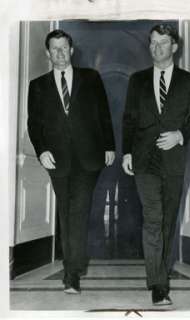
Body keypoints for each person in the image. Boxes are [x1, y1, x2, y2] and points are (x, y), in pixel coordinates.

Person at [28, 29, 115, 294]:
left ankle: (71, 273)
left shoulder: (91, 77)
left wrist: (110, 146)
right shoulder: (38, 85)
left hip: (89, 158)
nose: (60, 53)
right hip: (57, 160)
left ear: (72, 50)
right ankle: (72, 269)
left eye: (64, 48)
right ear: (47, 53)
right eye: (54, 49)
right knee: (66, 213)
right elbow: (34, 124)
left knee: (77, 212)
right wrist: (41, 150)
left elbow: (104, 113)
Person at [122, 23, 190, 306]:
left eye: (163, 42)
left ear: (175, 47)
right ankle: (158, 284)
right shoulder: (137, 80)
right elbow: (129, 120)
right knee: (153, 219)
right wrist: (127, 153)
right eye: (152, 42)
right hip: (144, 160)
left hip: (174, 161)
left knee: (168, 221)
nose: (156, 47)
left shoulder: (189, 81)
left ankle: (161, 273)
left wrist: (180, 135)